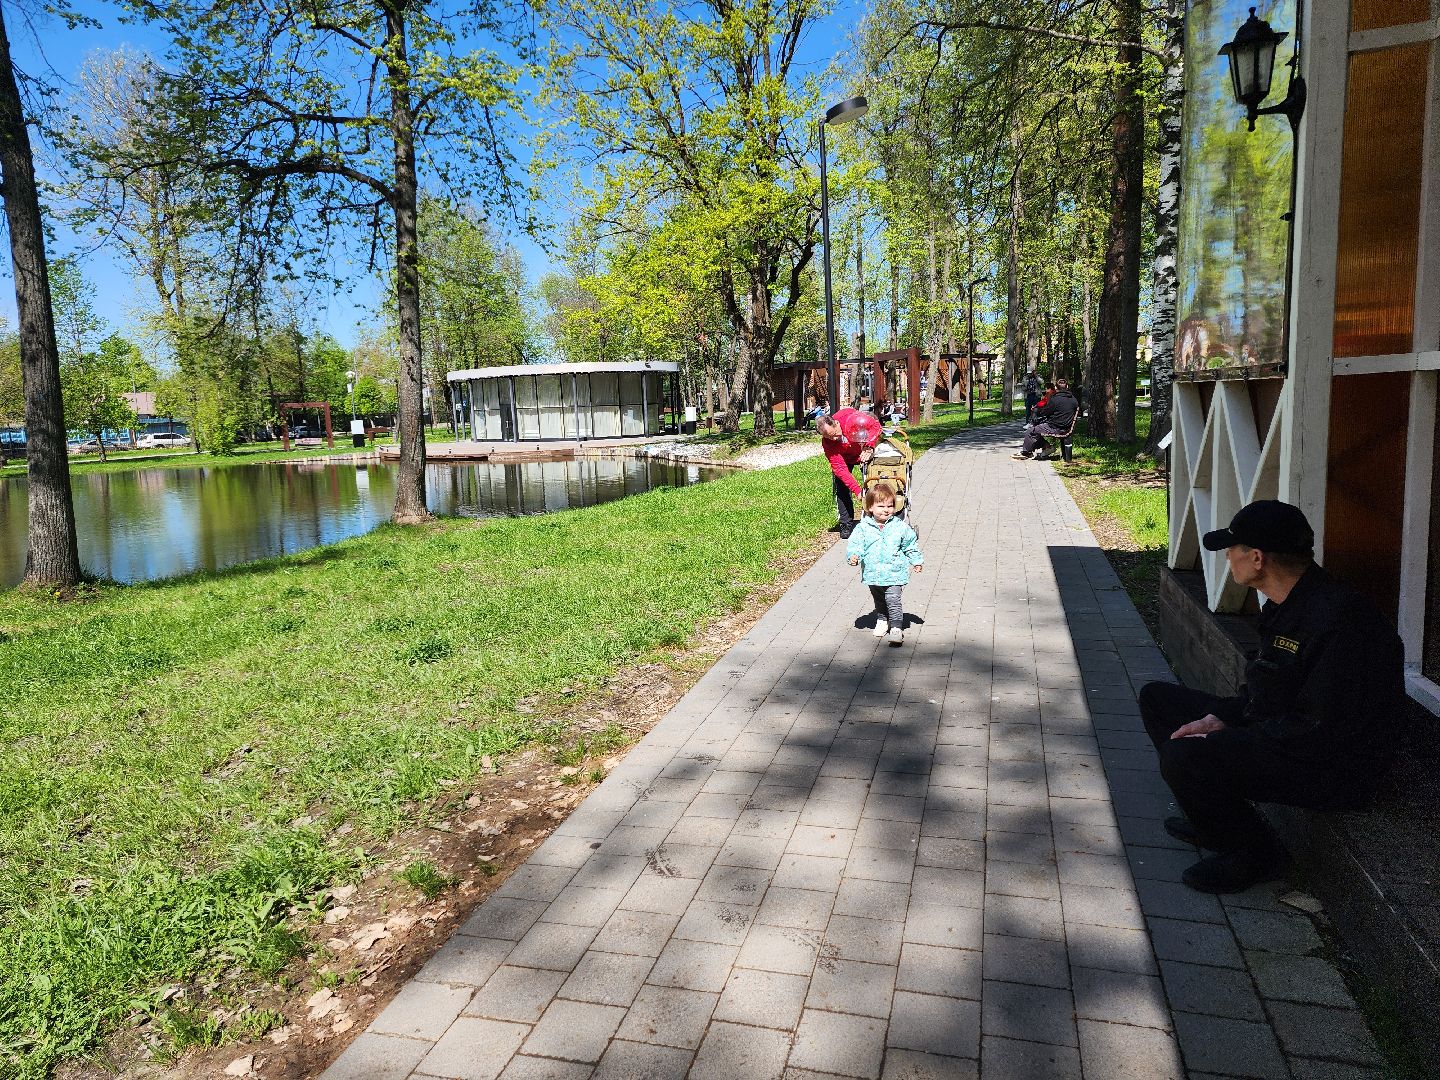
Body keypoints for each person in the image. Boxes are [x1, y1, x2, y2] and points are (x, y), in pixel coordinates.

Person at [1138, 500, 1406, 893]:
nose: (1228, 556)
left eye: (1233, 549)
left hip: (1331, 767)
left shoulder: (1341, 623)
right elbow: (1266, 692)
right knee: (1158, 700)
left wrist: (1226, 738)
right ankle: (1213, 823)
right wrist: (1223, 717)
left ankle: (1255, 856)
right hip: (1290, 733)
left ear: (1257, 558)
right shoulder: (1291, 604)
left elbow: (1320, 729)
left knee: (1185, 754)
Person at [846, 482, 924, 646]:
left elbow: (909, 544)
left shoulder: (900, 527)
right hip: (873, 573)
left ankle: (896, 627)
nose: (886, 509)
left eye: (890, 506)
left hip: (895, 571)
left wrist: (916, 560)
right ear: (870, 508)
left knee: (893, 598)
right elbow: (856, 545)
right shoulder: (863, 528)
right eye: (881, 506)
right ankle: (882, 619)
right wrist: (853, 556)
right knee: (879, 598)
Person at [817, 406, 882, 538]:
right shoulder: (828, 442)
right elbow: (840, 468)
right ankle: (846, 523)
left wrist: (869, 447)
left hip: (863, 450)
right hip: (845, 457)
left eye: (833, 434)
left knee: (875, 481)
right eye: (828, 437)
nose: (834, 439)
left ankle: (880, 516)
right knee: (841, 487)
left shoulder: (852, 420)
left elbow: (875, 426)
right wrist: (857, 491)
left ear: (836, 423)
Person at [1013, 377, 1078, 461]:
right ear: (1067, 387)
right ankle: (1047, 447)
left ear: (1055, 387)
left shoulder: (1055, 399)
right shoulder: (1074, 399)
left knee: (1031, 431)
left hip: (1055, 427)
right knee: (1036, 429)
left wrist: (1037, 411)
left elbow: (1045, 412)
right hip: (1068, 428)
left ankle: (1027, 453)